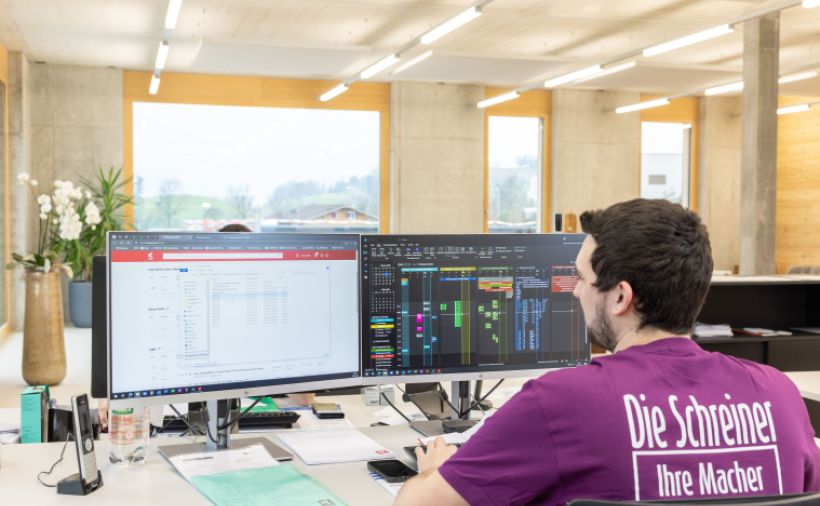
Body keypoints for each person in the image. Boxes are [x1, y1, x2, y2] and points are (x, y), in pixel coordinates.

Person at [395, 198, 820, 505]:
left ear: (620, 297)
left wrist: (434, 471)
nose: (575, 291)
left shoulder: (559, 401)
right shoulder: (778, 393)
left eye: (581, 278)